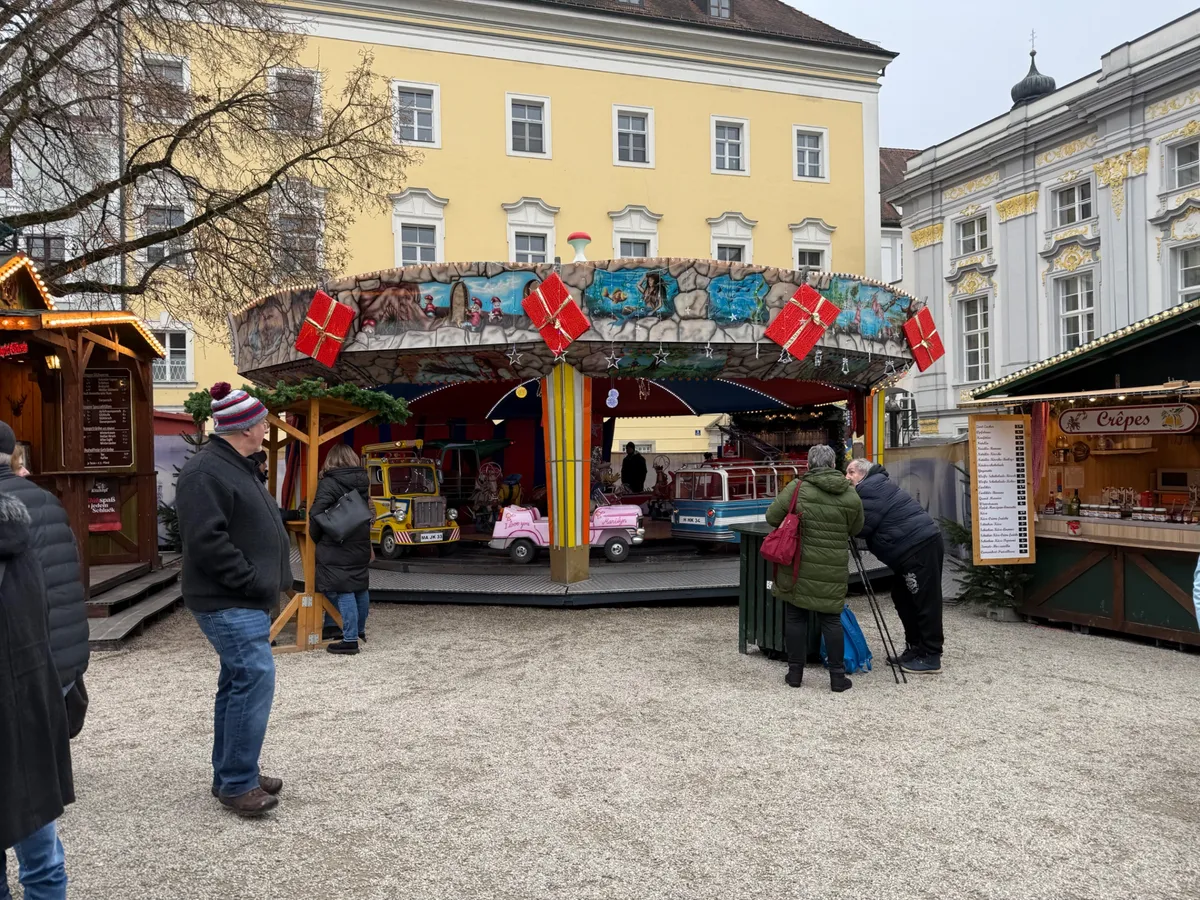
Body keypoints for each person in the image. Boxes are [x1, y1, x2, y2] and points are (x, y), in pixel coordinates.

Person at [174, 384, 291, 817]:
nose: (266, 427)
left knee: (237, 682)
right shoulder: (207, 472)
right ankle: (237, 783)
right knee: (253, 677)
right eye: (262, 421)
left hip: (239, 598)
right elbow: (207, 542)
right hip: (228, 599)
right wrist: (251, 581)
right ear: (245, 428)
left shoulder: (234, 465)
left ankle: (232, 771)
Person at [0, 491, 74, 900]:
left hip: (20, 712)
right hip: (26, 717)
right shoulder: (22, 536)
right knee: (41, 856)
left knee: (39, 856)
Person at [0, 422, 89, 724]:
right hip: (61, 650)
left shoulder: (9, 506)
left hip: (27, 653)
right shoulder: (47, 500)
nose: (25, 470)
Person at [765, 444, 864, 692]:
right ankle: (837, 678)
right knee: (831, 619)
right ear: (833, 465)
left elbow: (771, 517)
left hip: (797, 565)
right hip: (832, 567)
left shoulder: (797, 488)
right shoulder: (850, 494)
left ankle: (795, 675)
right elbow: (857, 528)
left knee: (796, 616)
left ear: (808, 465)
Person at [846, 459, 945, 674]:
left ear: (863, 473)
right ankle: (915, 647)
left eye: (851, 472)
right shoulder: (874, 484)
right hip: (913, 547)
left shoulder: (870, 488)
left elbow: (863, 526)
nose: (847, 477)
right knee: (902, 596)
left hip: (918, 546)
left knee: (925, 600)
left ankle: (931, 655)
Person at [308, 444, 373, 655]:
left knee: (344, 588)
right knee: (360, 586)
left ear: (331, 459)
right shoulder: (363, 480)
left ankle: (350, 639)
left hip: (338, 542)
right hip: (360, 540)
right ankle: (359, 631)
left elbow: (317, 513)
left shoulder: (329, 482)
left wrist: (316, 537)